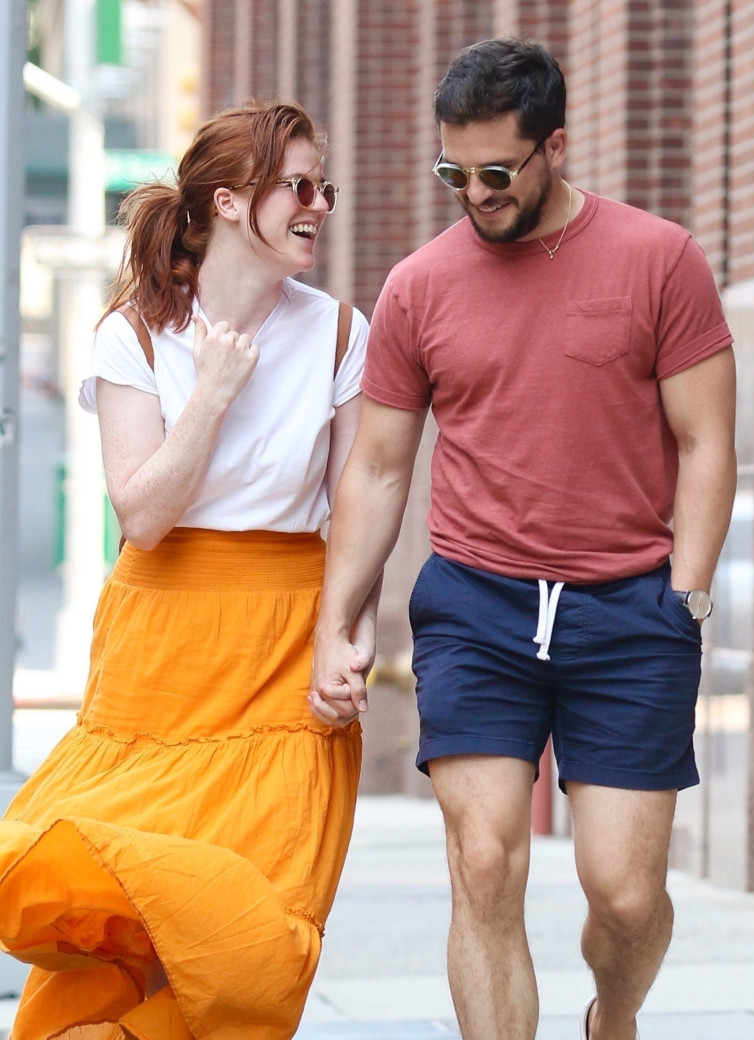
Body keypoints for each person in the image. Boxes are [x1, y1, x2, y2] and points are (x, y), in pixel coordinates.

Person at [309, 37, 737, 1040]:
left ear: (556, 146)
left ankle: (614, 1012)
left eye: (498, 173)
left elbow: (706, 439)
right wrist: (341, 621)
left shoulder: (658, 259)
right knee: (486, 859)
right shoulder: (419, 286)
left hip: (629, 605)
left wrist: (690, 591)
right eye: (454, 172)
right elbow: (376, 467)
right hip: (477, 603)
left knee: (626, 895)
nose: (476, 193)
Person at [0, 100, 374, 1039]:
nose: (319, 204)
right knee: (143, 913)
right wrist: (210, 393)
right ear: (230, 201)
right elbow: (144, 515)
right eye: (299, 185)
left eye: (322, 186)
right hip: (161, 647)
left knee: (263, 923)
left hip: (286, 644)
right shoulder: (133, 333)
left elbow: (360, 504)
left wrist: (347, 633)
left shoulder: (337, 331)